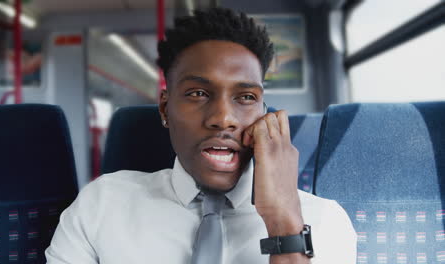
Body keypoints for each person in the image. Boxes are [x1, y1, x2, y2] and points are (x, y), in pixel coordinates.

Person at [45, 7, 356, 264]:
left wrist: (284, 225)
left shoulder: (325, 221)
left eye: (245, 97)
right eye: (198, 93)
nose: (223, 118)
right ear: (165, 109)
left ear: (264, 113)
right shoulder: (101, 205)